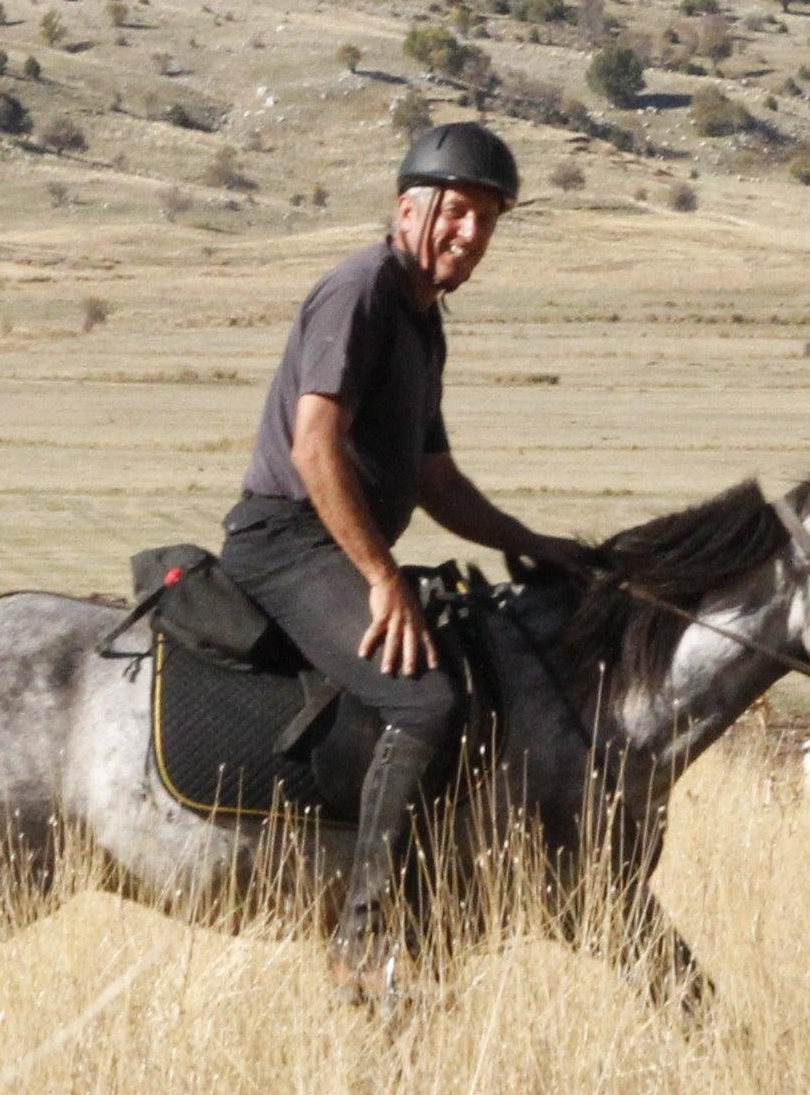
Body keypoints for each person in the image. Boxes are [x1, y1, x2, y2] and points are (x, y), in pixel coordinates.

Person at [222, 119, 594, 982]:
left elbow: (434, 477)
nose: (472, 235)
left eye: (488, 222)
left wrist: (529, 542)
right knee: (427, 700)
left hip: (334, 544)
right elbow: (316, 446)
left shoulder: (425, 321)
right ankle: (366, 930)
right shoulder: (362, 291)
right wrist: (382, 578)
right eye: (459, 212)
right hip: (286, 542)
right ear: (409, 208)